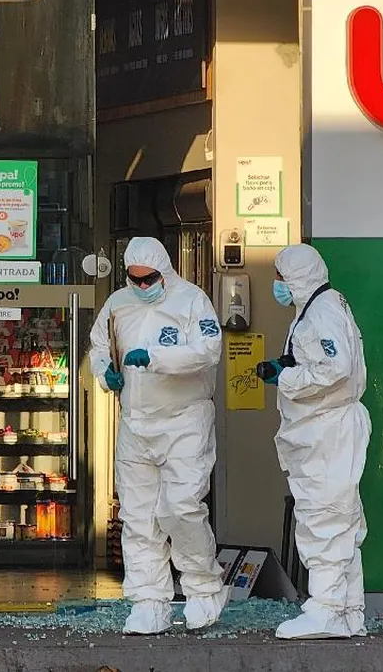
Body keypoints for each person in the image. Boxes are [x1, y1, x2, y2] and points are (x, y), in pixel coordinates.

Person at [90, 237, 228, 635]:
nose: (142, 286)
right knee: (138, 516)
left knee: (181, 507)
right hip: (135, 423)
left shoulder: (192, 301)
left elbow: (208, 351)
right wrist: (105, 373)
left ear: (164, 272)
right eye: (134, 279)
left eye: (149, 279)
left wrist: (155, 358)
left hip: (185, 421)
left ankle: (203, 588)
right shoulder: (118, 304)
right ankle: (149, 600)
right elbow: (100, 346)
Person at [255, 244, 371, 640]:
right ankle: (348, 610)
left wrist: (284, 378)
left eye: (280, 277)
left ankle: (324, 610)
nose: (277, 285)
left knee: (324, 518)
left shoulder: (320, 313)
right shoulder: (322, 306)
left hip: (327, 431)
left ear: (297, 277)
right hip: (327, 429)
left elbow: (334, 369)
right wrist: (288, 366)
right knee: (342, 518)